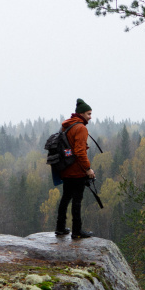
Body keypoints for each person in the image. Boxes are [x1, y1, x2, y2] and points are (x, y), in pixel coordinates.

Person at [55, 98, 96, 239]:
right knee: (77, 201)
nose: (90, 117)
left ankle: (60, 228)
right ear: (81, 114)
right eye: (88, 114)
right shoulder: (81, 128)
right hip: (77, 171)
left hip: (65, 169)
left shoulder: (67, 126)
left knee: (65, 198)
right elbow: (79, 152)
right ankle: (77, 232)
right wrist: (88, 169)